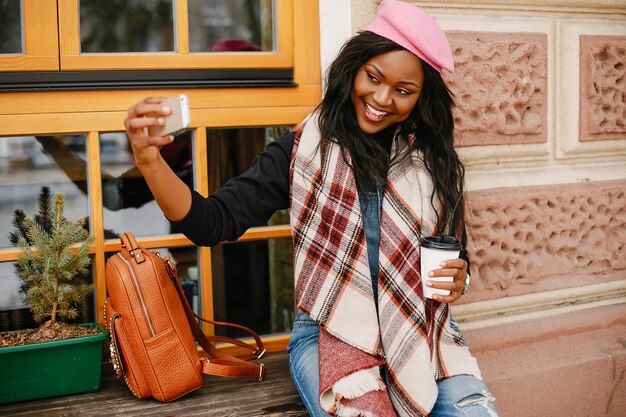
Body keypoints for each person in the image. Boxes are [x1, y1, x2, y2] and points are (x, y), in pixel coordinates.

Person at [123, 1, 500, 415]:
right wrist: (149, 161)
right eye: (373, 77)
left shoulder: (433, 165)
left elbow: (451, 256)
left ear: (420, 98)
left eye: (403, 90)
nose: (381, 97)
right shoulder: (300, 154)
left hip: (422, 333)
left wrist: (458, 277)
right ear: (353, 70)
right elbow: (211, 223)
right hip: (327, 333)